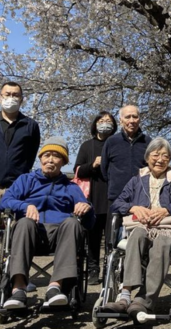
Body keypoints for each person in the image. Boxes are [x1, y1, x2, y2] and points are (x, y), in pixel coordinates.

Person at [104, 138, 171, 319]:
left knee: (161, 242)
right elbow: (117, 203)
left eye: (165, 156)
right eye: (156, 155)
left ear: (169, 160)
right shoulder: (136, 181)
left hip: (167, 229)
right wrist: (133, 207)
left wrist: (168, 209)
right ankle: (125, 295)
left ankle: (144, 300)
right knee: (137, 234)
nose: (160, 159)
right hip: (141, 226)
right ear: (147, 157)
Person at [0, 137, 95, 310]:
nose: (50, 160)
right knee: (24, 223)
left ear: (63, 162)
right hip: (30, 232)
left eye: (56, 156)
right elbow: (5, 202)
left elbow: (90, 222)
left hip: (60, 235)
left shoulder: (71, 187)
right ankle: (18, 289)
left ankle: (54, 287)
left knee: (72, 223)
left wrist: (86, 207)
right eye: (47, 155)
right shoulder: (25, 180)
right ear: (41, 158)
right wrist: (25, 205)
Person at [0, 81, 41, 232]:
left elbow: (31, 154)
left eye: (15, 95)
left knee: (20, 230)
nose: (11, 98)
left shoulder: (30, 125)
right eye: (8, 94)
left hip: (18, 188)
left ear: (22, 99)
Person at [73, 111, 117, 285]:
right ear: (95, 124)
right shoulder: (87, 146)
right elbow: (78, 171)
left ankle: (110, 268)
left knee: (112, 236)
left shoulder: (116, 144)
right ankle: (92, 269)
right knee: (93, 236)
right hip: (93, 196)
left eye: (109, 121)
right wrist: (93, 164)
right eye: (102, 120)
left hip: (112, 195)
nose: (105, 123)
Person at [101, 105, 152, 213]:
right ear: (121, 121)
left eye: (135, 117)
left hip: (142, 196)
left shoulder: (148, 142)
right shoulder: (111, 141)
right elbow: (104, 169)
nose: (132, 120)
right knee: (113, 229)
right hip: (117, 196)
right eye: (127, 117)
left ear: (140, 119)